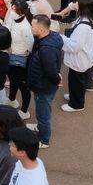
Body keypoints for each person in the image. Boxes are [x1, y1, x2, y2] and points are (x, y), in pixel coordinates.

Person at [58, 0, 93, 113]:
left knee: (76, 81)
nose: (74, 4)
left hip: (80, 58)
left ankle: (77, 104)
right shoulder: (90, 17)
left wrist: (60, 37)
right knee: (76, 79)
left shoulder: (83, 27)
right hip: (84, 56)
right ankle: (73, 96)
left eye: (77, 2)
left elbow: (74, 46)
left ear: (82, 7)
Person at [27, 15, 62, 149]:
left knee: (44, 113)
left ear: (41, 30)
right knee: (41, 108)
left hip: (43, 85)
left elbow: (50, 70)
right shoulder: (46, 38)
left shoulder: (47, 48)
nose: (30, 28)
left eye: (33, 26)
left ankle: (44, 139)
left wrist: (57, 79)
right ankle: (39, 126)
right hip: (40, 82)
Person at [5, 0, 34, 117]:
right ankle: (12, 99)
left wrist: (25, 54)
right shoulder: (12, 19)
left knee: (23, 85)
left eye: (13, 9)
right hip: (11, 55)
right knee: (12, 79)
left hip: (21, 58)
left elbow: (30, 45)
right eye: (12, 7)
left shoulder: (26, 27)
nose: (11, 10)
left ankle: (25, 110)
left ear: (21, 13)